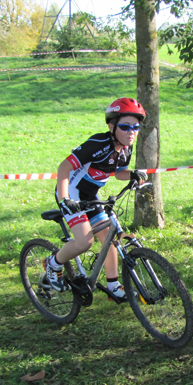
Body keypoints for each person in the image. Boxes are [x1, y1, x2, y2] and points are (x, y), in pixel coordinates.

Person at [44, 97, 148, 302]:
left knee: (110, 238)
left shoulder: (126, 147)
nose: (132, 132)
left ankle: (113, 286)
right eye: (126, 127)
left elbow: (119, 173)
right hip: (71, 193)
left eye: (136, 127)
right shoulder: (98, 143)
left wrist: (133, 175)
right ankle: (53, 263)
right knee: (84, 241)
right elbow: (64, 167)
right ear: (112, 126)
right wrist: (65, 199)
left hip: (90, 196)